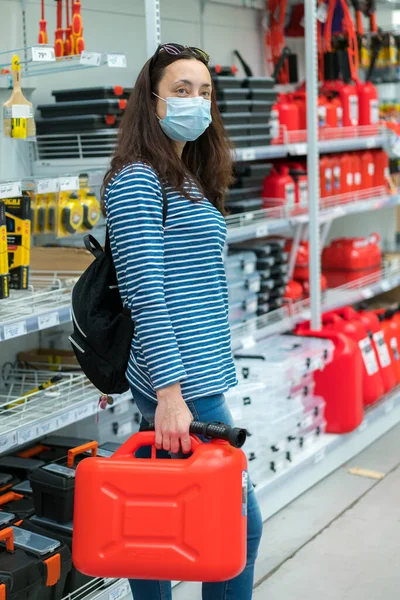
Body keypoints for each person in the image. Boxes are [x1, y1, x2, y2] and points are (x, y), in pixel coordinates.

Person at [103, 42, 263, 600]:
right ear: (152, 101)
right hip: (180, 384)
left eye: (205, 92)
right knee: (237, 528)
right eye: (181, 90)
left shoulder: (183, 175)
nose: (197, 102)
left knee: (165, 524)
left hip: (201, 375)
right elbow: (146, 293)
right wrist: (170, 395)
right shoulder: (137, 181)